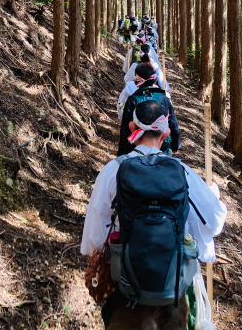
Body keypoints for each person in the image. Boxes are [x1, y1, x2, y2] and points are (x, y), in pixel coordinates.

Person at [81, 100, 227, 329]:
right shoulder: (182, 173)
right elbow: (214, 223)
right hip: (172, 292)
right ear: (166, 133)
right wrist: (213, 195)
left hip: (123, 290)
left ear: (132, 128)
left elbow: (94, 239)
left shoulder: (112, 171)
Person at [118, 62, 180, 156]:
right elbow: (173, 123)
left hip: (137, 148)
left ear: (137, 79)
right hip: (162, 147)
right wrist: (175, 145)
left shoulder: (132, 100)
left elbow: (125, 129)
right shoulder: (164, 98)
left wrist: (122, 155)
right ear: (154, 79)